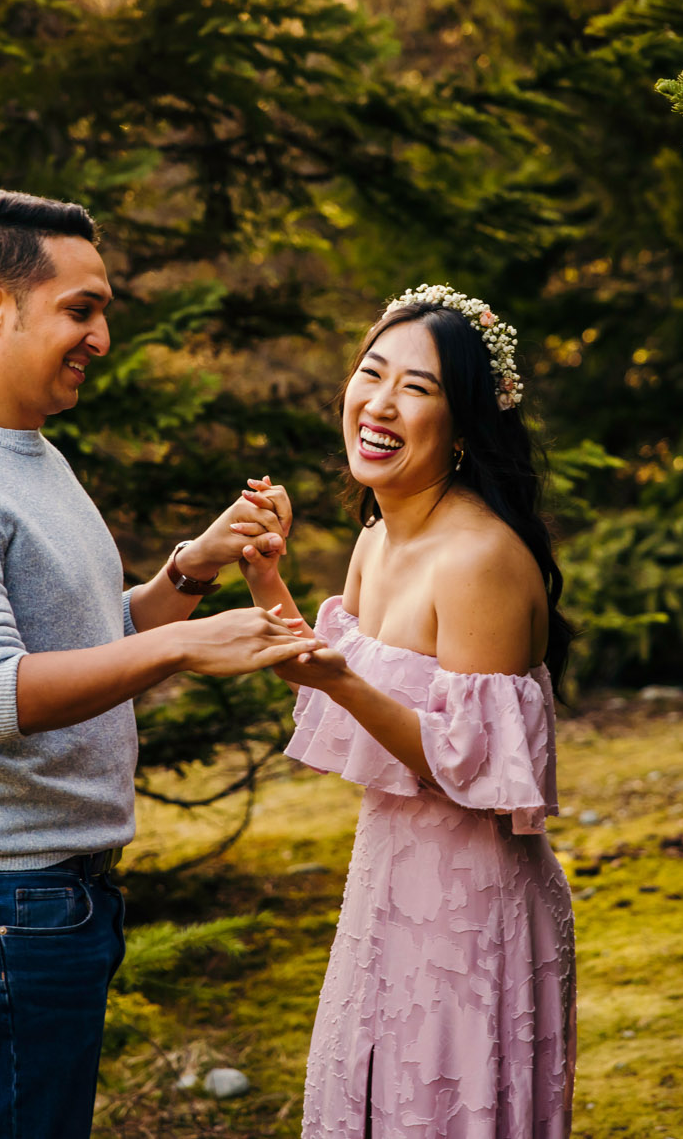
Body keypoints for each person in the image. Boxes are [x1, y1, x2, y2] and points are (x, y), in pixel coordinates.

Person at [0, 190, 319, 1139]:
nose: (102, 336)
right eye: (82, 309)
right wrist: (184, 645)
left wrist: (189, 571)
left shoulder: (25, 452)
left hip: (48, 891)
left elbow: (83, 636)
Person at [238, 284, 578, 1137]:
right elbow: (323, 676)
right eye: (371, 373)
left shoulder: (479, 561)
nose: (380, 404)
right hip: (386, 885)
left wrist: (343, 682)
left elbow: (470, 766)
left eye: (417, 389)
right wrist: (265, 575)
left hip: (472, 908)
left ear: (463, 427)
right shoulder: (377, 537)